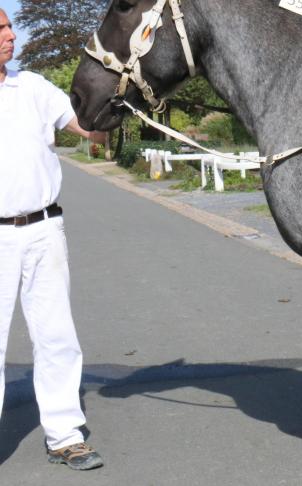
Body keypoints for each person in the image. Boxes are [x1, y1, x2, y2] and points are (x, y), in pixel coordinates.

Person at [0, 8, 105, 470]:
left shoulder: (34, 87)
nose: (10, 35)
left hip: (44, 229)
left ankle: (64, 435)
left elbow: (87, 129)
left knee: (57, 336)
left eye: (8, 25)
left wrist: (110, 113)